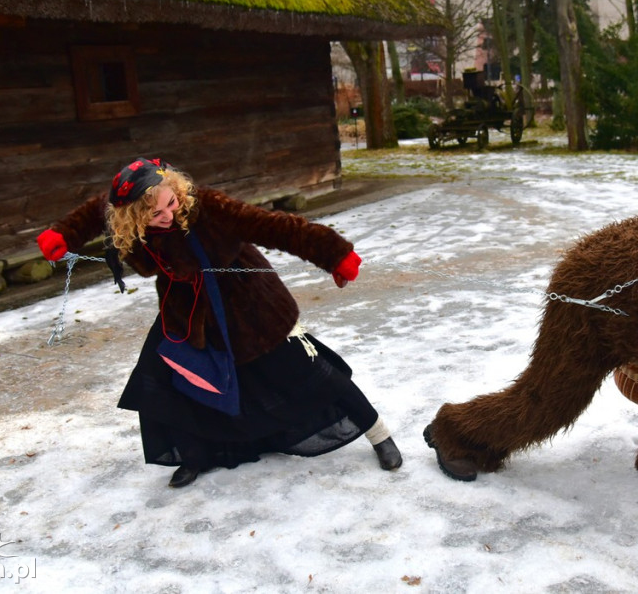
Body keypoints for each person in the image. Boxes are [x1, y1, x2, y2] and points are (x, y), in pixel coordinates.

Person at [36, 157, 401, 488]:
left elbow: (273, 226)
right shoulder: (124, 211)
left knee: (305, 369)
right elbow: (95, 210)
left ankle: (378, 433)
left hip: (248, 303)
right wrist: (63, 235)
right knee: (170, 380)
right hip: (187, 309)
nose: (167, 215)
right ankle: (195, 456)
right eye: (155, 213)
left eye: (171, 203)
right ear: (131, 215)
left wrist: (334, 254)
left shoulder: (209, 205)